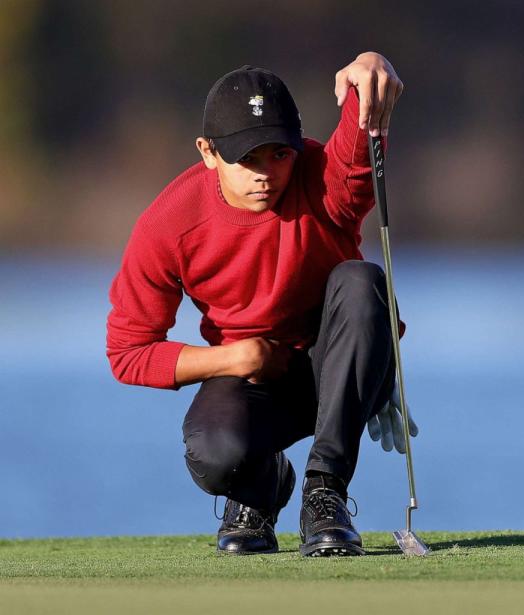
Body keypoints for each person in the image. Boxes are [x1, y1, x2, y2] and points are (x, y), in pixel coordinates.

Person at [105, 52, 417, 557]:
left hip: (342, 368)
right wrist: (237, 357)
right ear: (207, 152)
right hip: (252, 382)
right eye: (246, 158)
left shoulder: (319, 178)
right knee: (214, 453)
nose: (265, 174)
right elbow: (128, 351)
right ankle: (261, 488)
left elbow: (356, 158)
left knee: (362, 279)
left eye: (278, 154)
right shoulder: (168, 222)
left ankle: (325, 494)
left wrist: (368, 73)